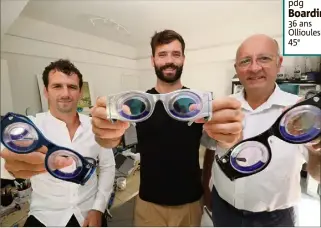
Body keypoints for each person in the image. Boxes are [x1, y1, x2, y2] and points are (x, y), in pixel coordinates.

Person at [90, 29, 244, 227]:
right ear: (153, 60)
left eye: (175, 54)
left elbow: (217, 144)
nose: (169, 60)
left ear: (183, 59)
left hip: (189, 203)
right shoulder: (139, 105)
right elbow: (116, 137)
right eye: (162, 54)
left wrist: (230, 136)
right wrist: (105, 135)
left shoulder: (197, 104)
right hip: (148, 203)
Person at [202, 34, 321, 227]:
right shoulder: (224, 106)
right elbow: (210, 150)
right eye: (245, 61)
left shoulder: (300, 112)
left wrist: (317, 148)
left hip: (275, 219)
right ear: (237, 69)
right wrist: (207, 191)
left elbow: (317, 174)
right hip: (224, 209)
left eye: (264, 58)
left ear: (279, 62)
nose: (254, 67)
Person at [0, 59, 115, 227]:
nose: (65, 93)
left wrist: (99, 208)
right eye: (57, 86)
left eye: (72, 87)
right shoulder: (30, 127)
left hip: (89, 216)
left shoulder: (96, 127)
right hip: (45, 218)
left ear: (80, 92)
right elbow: (4, 154)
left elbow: (108, 166)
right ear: (46, 91)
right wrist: (8, 167)